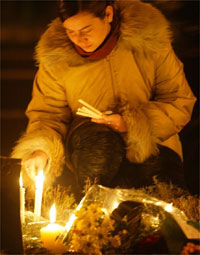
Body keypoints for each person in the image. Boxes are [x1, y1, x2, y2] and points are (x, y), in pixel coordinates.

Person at [11, 0, 196, 195]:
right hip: (90, 143)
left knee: (163, 195)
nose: (78, 39)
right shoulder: (57, 57)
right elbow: (48, 113)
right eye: (70, 32)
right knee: (99, 154)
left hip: (154, 141)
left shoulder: (149, 41)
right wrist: (41, 149)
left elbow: (179, 99)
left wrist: (133, 124)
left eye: (86, 30)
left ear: (108, 15)